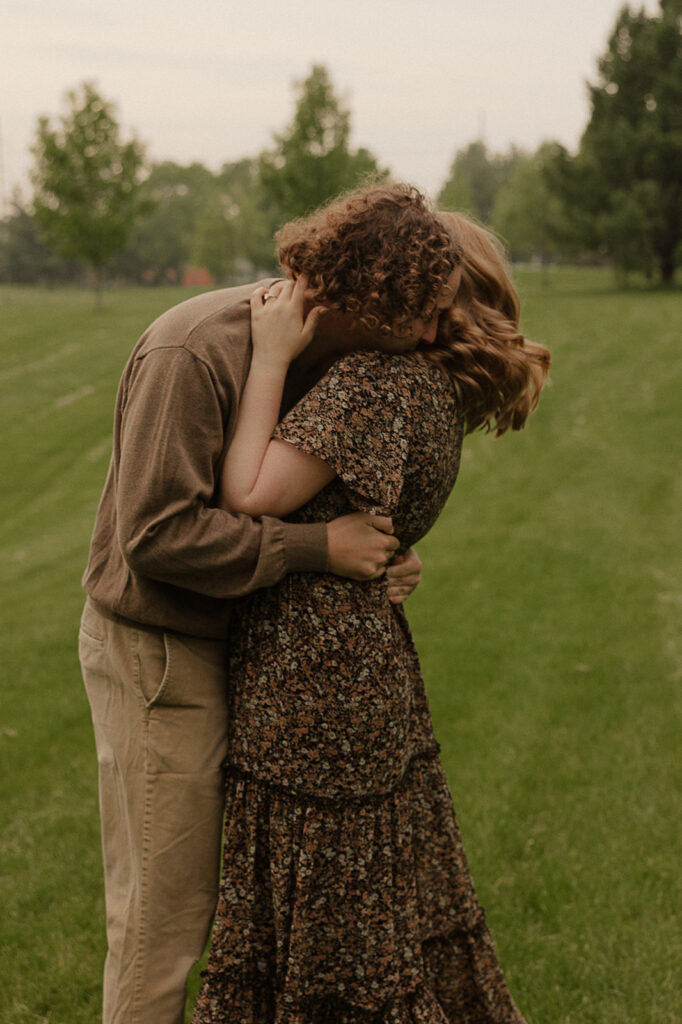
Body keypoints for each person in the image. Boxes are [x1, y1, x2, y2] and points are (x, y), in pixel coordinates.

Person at [78, 182, 464, 1024]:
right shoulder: (196, 350)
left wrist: (383, 557)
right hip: (160, 652)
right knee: (162, 929)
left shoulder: (336, 361)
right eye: (426, 315)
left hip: (239, 647)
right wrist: (316, 552)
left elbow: (310, 494)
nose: (436, 335)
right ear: (366, 301)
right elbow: (159, 534)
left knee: (224, 920)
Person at [191, 212, 551, 1022]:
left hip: (312, 678)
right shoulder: (437, 391)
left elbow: (246, 495)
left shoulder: (375, 385)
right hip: (367, 664)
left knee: (329, 936)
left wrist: (273, 357)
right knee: (377, 913)